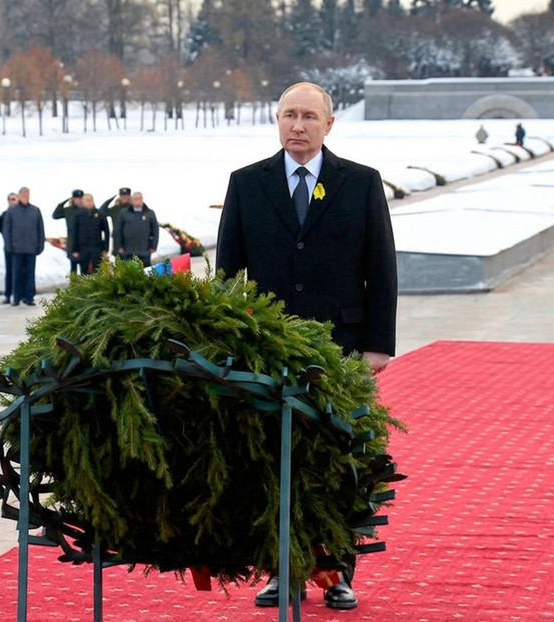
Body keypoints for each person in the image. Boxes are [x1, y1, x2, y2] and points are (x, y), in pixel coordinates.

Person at [215, 81, 397, 611]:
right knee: (271, 461)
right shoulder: (247, 183)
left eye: (309, 116)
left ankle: (337, 571)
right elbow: (227, 274)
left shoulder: (361, 183)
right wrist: (227, 342)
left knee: (338, 460)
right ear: (277, 120)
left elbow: (381, 267)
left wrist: (378, 344)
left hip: (342, 348)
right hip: (268, 348)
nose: (298, 125)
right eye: (289, 115)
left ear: (329, 124)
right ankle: (281, 570)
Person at [2, 186, 44, 306]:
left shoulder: (35, 210)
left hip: (31, 248)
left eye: (27, 194)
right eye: (23, 194)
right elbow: (6, 229)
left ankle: (29, 297)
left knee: (30, 274)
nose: (25, 196)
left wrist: (40, 245)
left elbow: (40, 229)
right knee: (17, 274)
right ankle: (16, 297)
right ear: (19, 196)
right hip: (17, 248)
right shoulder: (12, 211)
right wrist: (8, 245)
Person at [115, 191, 158, 267]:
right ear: (131, 200)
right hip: (127, 251)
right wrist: (119, 246)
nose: (137, 200)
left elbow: (155, 230)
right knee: (128, 272)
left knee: (145, 271)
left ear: (142, 200)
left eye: (139, 198)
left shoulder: (150, 213)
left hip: (144, 251)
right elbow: (118, 230)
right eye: (135, 199)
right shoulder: (124, 213)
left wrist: (153, 246)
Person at [71, 193, 109, 275]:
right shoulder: (78, 215)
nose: (89, 202)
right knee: (84, 271)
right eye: (86, 201)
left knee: (98, 270)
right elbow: (75, 233)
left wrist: (106, 248)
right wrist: (75, 249)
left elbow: (106, 232)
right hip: (83, 248)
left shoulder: (100, 214)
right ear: (83, 202)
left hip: (97, 247)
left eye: (90, 200)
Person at [53, 189, 85, 274]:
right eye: (77, 198)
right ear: (73, 199)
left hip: (84, 243)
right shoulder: (68, 210)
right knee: (73, 268)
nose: (79, 200)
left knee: (85, 269)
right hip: (72, 242)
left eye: (81, 198)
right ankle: (73, 283)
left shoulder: (86, 209)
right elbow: (55, 215)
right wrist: (65, 201)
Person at [0, 192, 19, 304]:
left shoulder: (22, 213)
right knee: (9, 271)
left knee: (20, 271)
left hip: (20, 247)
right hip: (8, 247)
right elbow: (0, 229)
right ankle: (8, 295)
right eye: (10, 199)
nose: (12, 201)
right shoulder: (4, 214)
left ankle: (20, 295)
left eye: (14, 199)